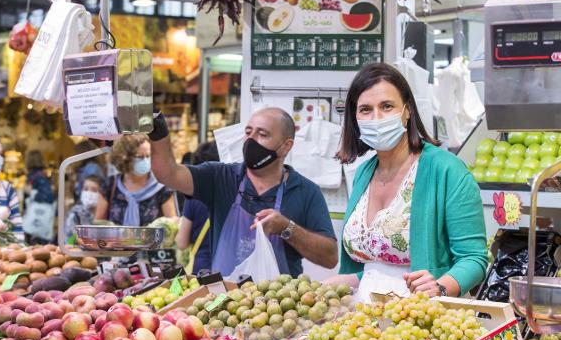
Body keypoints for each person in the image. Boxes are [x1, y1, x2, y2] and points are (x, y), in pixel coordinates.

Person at [328, 63, 487, 301]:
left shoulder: (447, 170)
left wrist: (440, 287)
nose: (377, 118)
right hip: (363, 320)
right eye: (365, 110)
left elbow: (474, 259)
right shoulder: (363, 173)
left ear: (407, 110)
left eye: (387, 106)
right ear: (355, 117)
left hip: (421, 318)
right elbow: (374, 268)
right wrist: (334, 283)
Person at [150, 107, 338, 278]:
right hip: (222, 304)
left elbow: (330, 258)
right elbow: (168, 173)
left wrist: (287, 228)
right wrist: (158, 132)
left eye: (262, 134)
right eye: (248, 132)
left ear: (286, 146)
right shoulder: (220, 177)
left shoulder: (306, 192)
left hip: (280, 308)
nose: (251, 140)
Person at [102, 134, 177, 226]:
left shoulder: (162, 187)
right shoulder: (111, 184)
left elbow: (172, 224)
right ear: (124, 158)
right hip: (114, 240)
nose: (145, 161)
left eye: (148, 156)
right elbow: (99, 224)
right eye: (139, 157)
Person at [176, 141, 219, 273]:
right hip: (229, 268)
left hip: (202, 269)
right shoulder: (236, 195)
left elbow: (182, 243)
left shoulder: (193, 197)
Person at [24, 150, 54, 244]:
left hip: (37, 218)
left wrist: (31, 192)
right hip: (36, 218)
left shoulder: (37, 176)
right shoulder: (40, 175)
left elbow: (48, 197)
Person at [64, 175, 103, 243]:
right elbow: (69, 240)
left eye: (94, 190)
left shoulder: (104, 213)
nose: (89, 193)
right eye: (85, 189)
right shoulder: (76, 213)